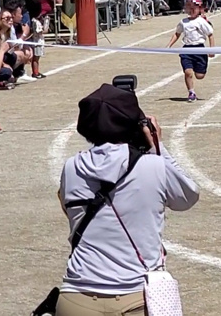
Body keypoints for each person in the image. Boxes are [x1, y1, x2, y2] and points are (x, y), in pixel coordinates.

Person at [56, 83, 198, 316]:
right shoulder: (154, 165)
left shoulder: (71, 168)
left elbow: (67, 207)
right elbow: (187, 197)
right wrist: (157, 146)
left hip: (75, 296)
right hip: (135, 296)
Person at [165, 0, 214, 102]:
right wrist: (169, 45)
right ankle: (191, 92)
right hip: (186, 49)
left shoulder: (201, 21)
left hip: (200, 49)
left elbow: (210, 34)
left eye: (194, 8)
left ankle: (200, 68)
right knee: (188, 72)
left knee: (200, 75)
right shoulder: (183, 22)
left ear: (199, 9)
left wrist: (211, 49)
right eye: (189, 8)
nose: (191, 11)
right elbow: (177, 34)